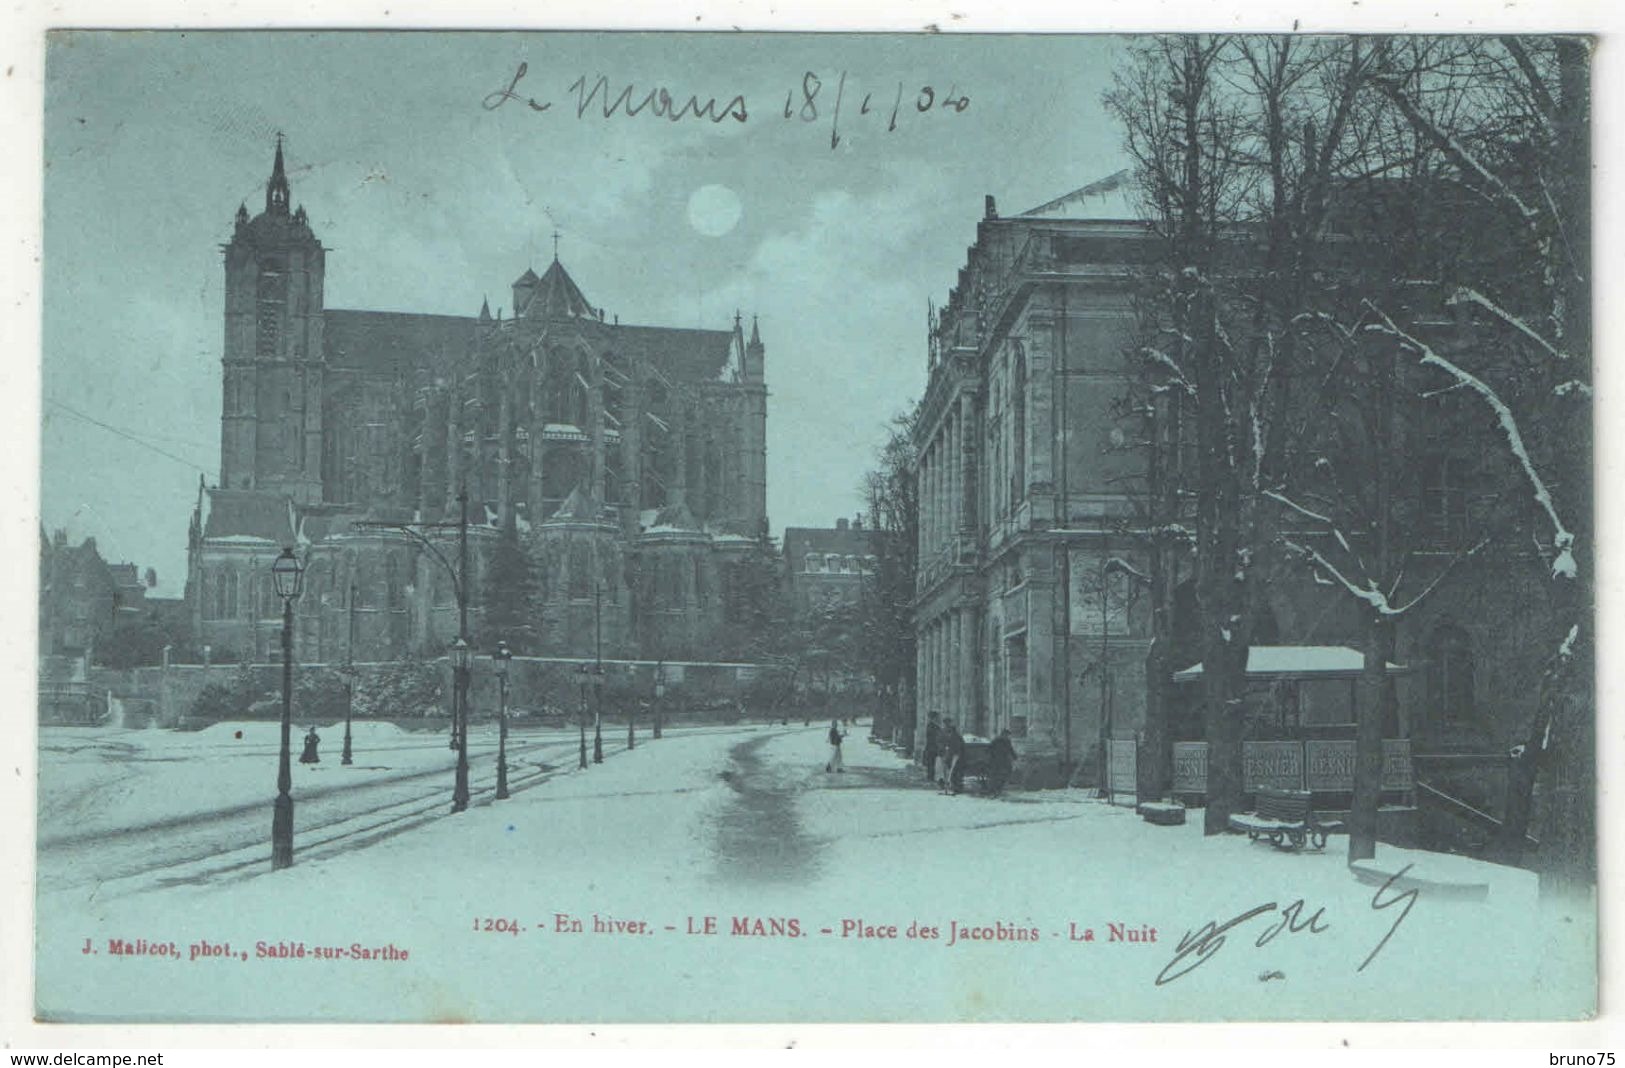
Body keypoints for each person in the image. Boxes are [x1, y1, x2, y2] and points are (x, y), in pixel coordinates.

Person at [987, 728, 1017, 796]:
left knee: (997, 776)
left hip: (998, 761)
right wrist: (1015, 757)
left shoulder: (998, 740)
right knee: (1001, 775)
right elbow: (1010, 750)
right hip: (1000, 761)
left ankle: (995, 790)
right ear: (1004, 734)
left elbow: (989, 750)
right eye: (1007, 735)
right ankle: (996, 789)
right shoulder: (1003, 741)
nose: (1008, 736)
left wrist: (1014, 757)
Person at [941, 720, 965, 795]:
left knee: (954, 772)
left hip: (957, 756)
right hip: (954, 756)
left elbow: (956, 748)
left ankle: (956, 787)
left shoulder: (955, 737)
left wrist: (950, 755)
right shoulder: (953, 736)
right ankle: (954, 787)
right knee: (953, 773)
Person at [922, 714, 942, 785]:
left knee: (932, 762)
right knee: (931, 762)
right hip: (932, 747)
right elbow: (934, 737)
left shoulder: (933, 726)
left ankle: (931, 776)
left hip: (932, 747)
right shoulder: (932, 726)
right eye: (936, 718)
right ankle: (930, 777)